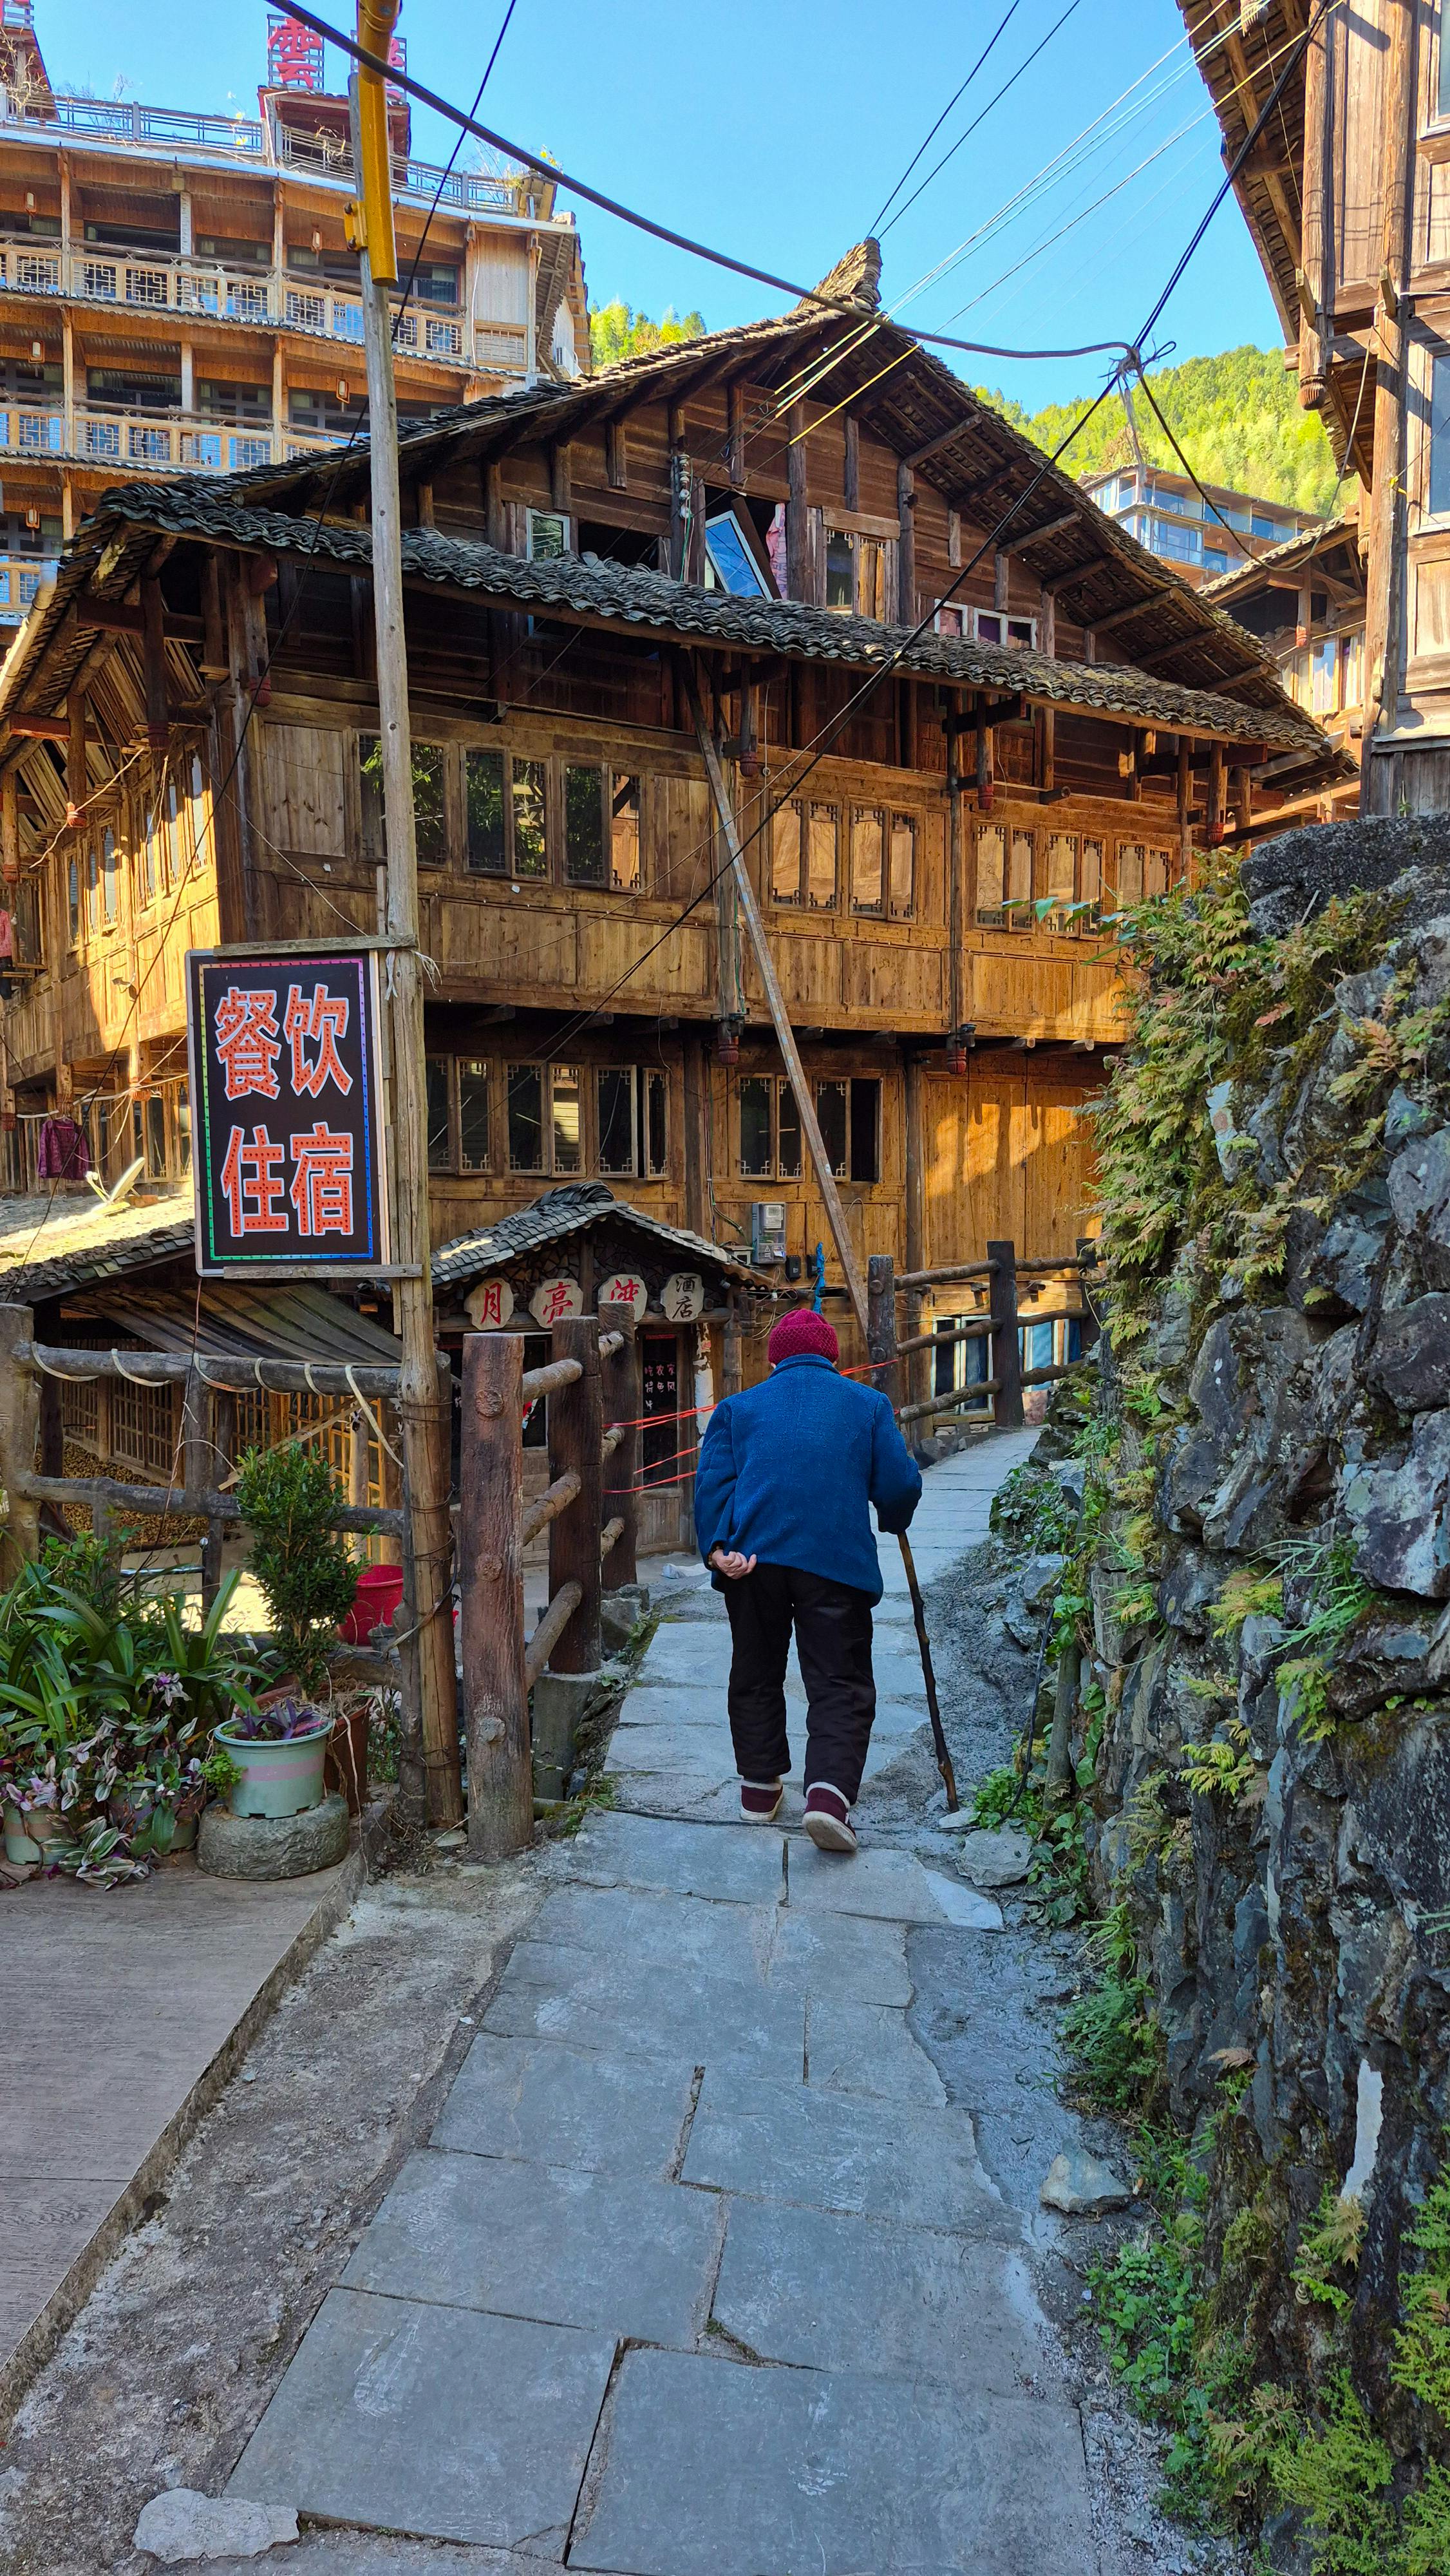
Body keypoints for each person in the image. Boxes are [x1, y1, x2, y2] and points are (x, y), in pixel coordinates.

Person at [693, 1305, 922, 1855]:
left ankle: (758, 1790)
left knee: (755, 1671)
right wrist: (891, 1517)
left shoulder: (737, 1408)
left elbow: (713, 1486)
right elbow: (898, 1484)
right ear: (831, 1357)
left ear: (774, 1358)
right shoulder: (867, 1404)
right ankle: (827, 1799)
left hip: (753, 1561)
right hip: (834, 1562)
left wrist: (718, 1550)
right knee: (838, 1681)